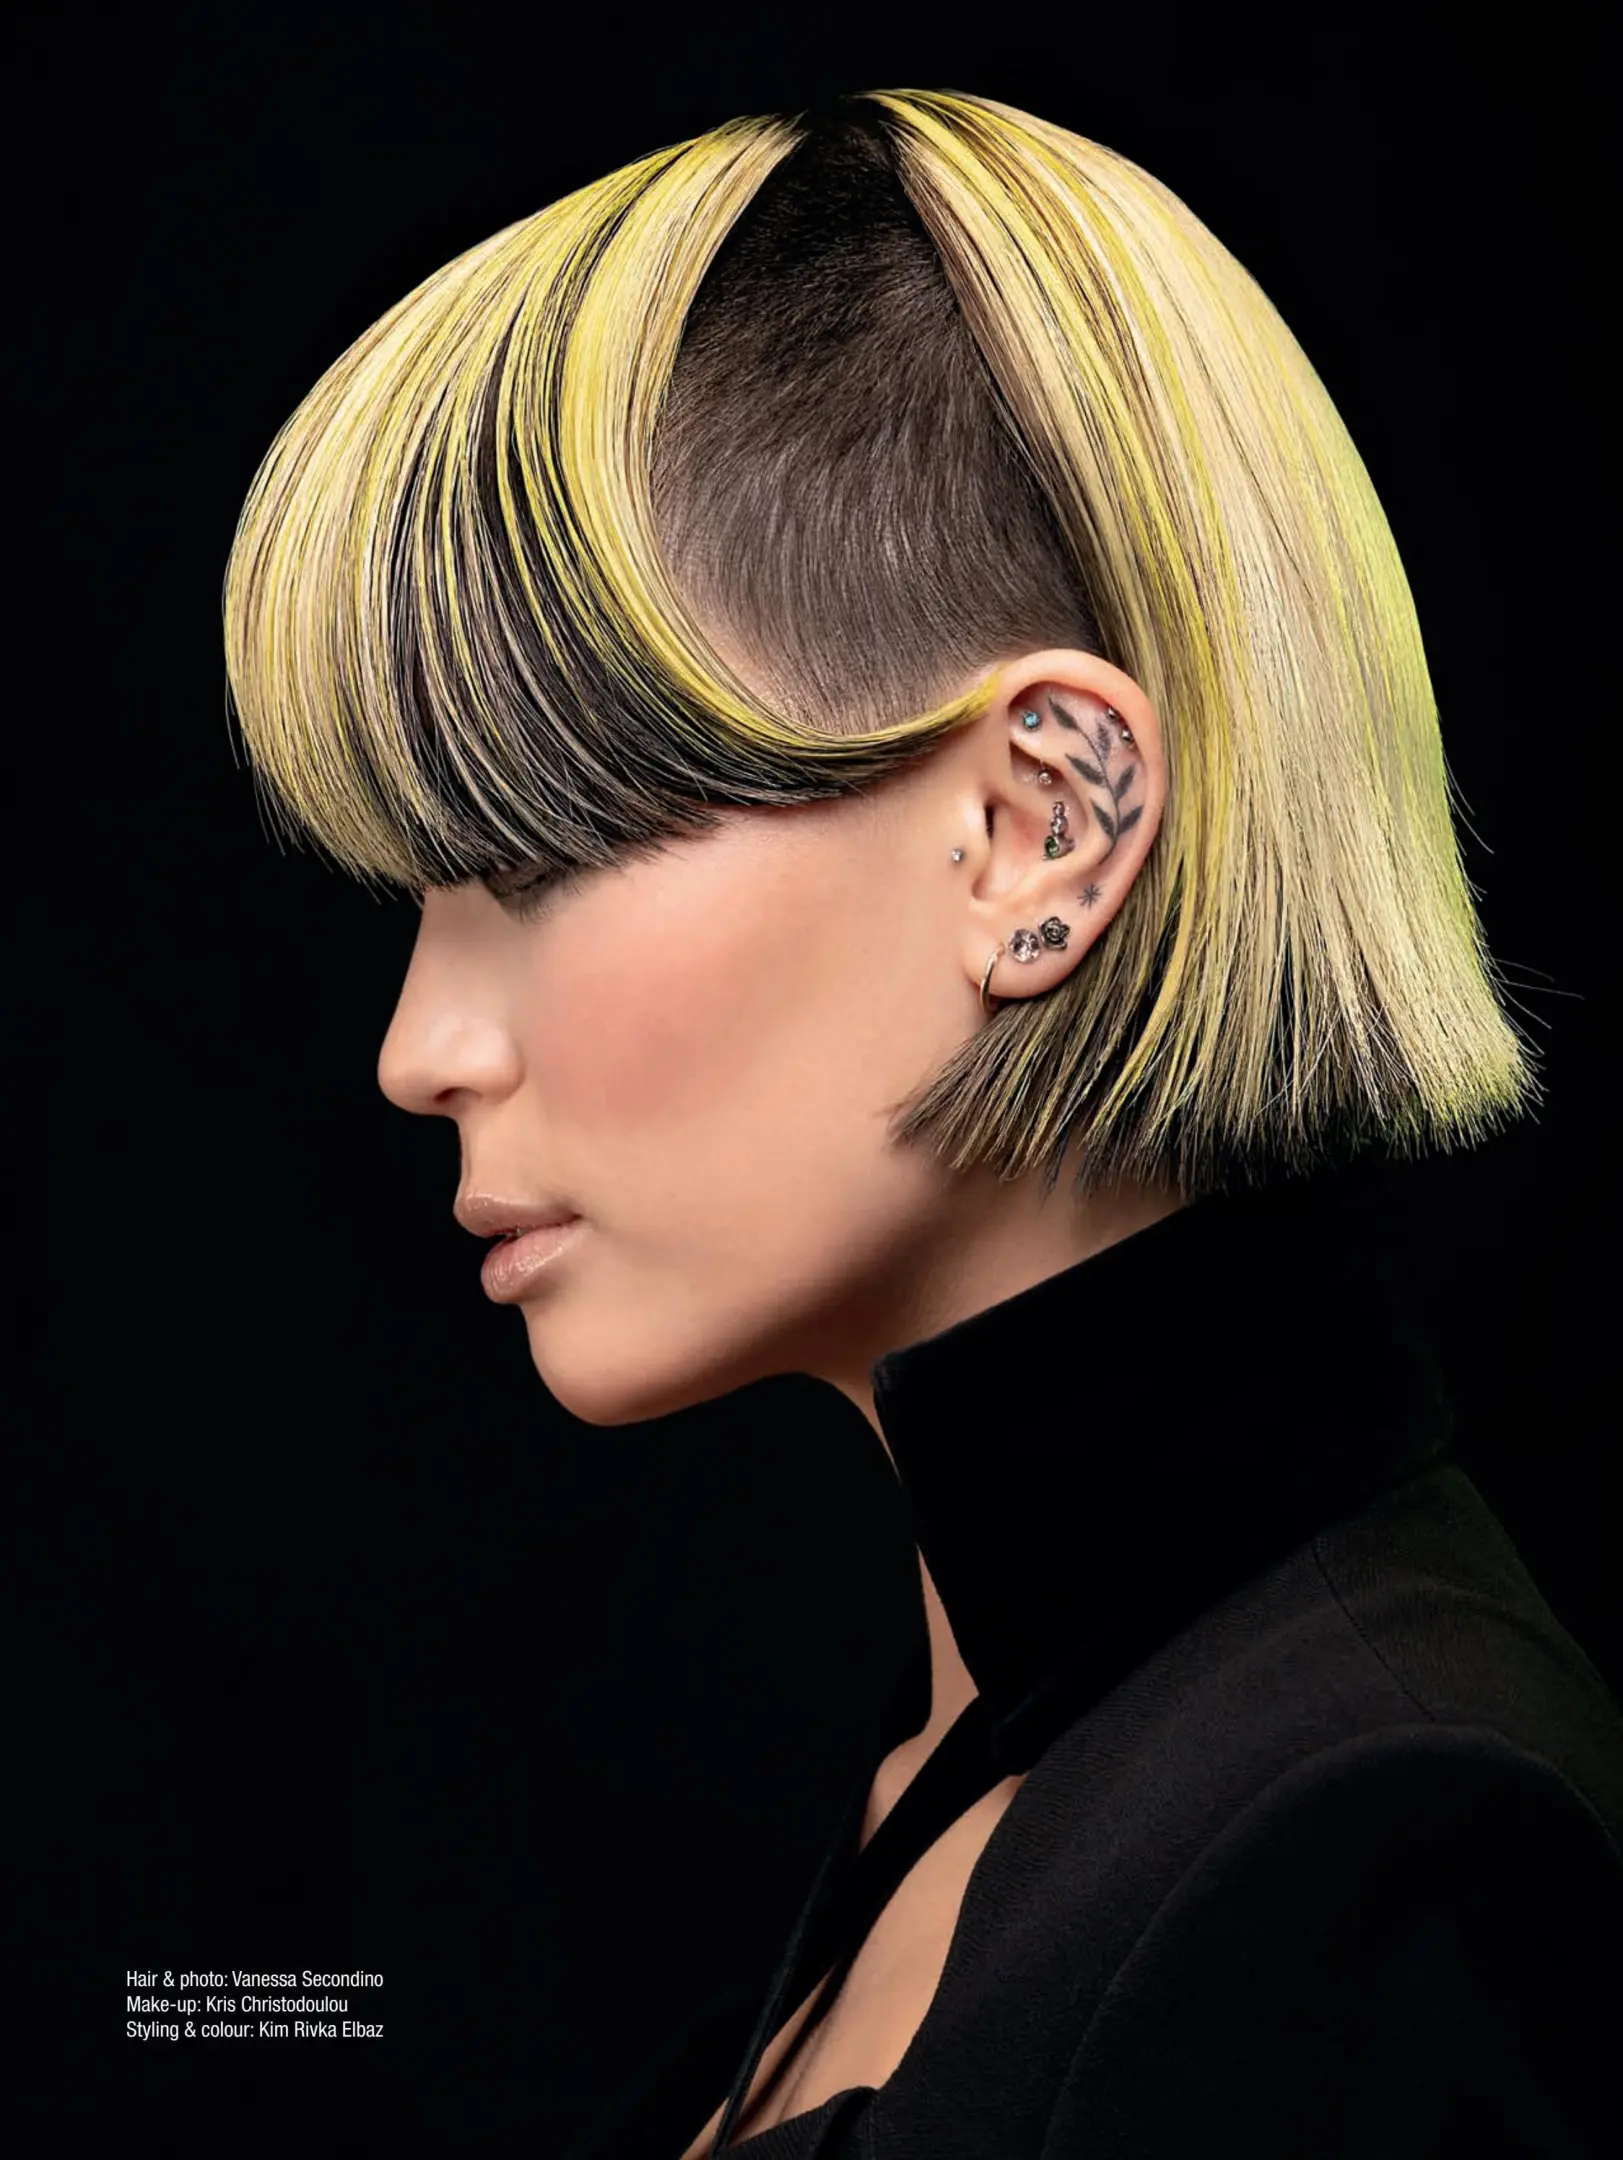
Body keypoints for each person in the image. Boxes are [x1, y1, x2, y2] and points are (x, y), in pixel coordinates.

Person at [221, 89, 1620, 2159]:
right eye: (420, 896)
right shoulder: (980, 1764)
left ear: (1042, 824)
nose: (420, 1048)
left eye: (528, 856)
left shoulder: (1365, 1851)